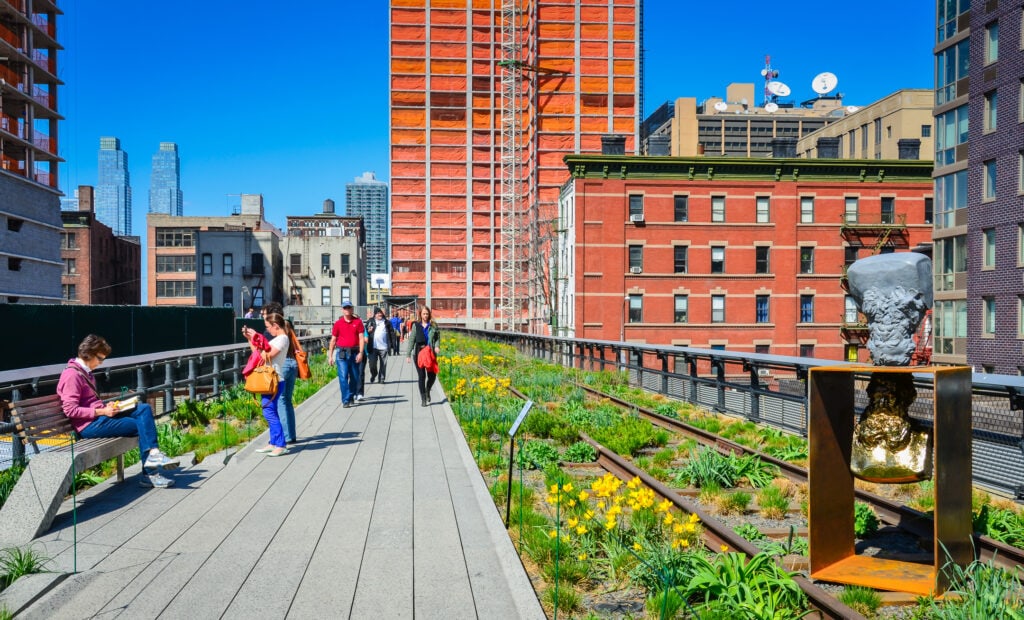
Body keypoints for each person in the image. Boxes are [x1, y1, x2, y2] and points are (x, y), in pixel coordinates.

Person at [57, 334, 179, 488]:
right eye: (100, 358)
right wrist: (103, 411)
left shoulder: (84, 372)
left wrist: (110, 407)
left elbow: (90, 403)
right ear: (89, 354)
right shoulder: (72, 376)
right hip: (89, 426)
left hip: (100, 418)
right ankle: (150, 474)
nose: (101, 363)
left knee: (144, 409)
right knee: (141, 425)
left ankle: (153, 454)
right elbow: (70, 410)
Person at [246, 312, 290, 457]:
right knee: (271, 411)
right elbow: (257, 356)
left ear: (275, 326)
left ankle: (281, 445)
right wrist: (251, 339)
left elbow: (267, 356)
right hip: (271, 380)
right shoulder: (277, 339)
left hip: (273, 380)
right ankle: (273, 442)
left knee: (269, 412)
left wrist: (256, 338)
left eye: (268, 327)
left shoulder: (282, 339)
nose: (268, 330)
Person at [257, 302, 298, 443]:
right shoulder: (288, 325)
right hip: (292, 363)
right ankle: (290, 434)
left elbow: (266, 352)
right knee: (287, 401)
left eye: (264, 314)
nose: (263, 317)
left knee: (278, 403)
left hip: (281, 366)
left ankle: (282, 438)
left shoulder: (271, 331)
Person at [327, 300, 365, 408]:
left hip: (354, 352)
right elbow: (333, 340)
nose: (347, 310)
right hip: (342, 353)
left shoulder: (357, 322)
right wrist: (330, 356)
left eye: (349, 308)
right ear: (342, 310)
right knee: (343, 376)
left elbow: (361, 338)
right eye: (345, 308)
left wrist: (361, 353)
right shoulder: (338, 324)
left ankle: (351, 395)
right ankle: (346, 400)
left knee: (355, 376)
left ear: (352, 309)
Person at [406, 305, 440, 407]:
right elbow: (412, 340)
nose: (425, 315)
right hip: (419, 353)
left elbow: (438, 338)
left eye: (427, 313)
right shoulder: (416, 325)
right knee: (421, 376)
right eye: (423, 314)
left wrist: (437, 346)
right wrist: (408, 354)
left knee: (432, 376)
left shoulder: (433, 325)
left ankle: (428, 389)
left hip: (430, 353)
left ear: (429, 314)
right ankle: (423, 398)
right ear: (420, 314)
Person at [367, 307, 395, 384]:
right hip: (373, 347)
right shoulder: (371, 321)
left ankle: (381, 378)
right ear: (375, 314)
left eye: (381, 313)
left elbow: (392, 334)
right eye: (378, 313)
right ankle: (374, 374)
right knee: (372, 364)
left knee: (383, 364)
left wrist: (393, 345)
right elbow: (365, 332)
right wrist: (368, 331)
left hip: (384, 347)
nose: (380, 314)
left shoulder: (387, 322)